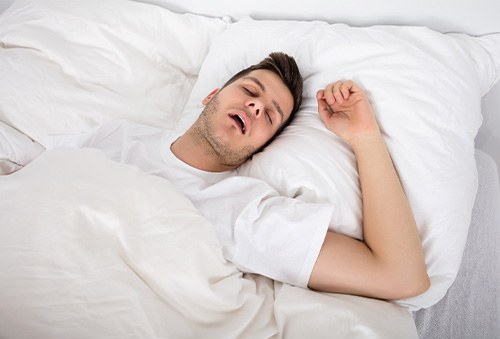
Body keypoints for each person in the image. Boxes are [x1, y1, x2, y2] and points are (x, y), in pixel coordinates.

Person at [46, 52, 430, 300]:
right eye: (251, 90)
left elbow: (400, 276)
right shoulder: (120, 136)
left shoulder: (244, 211)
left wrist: (365, 137)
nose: (257, 106)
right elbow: (28, 170)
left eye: (272, 114)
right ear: (211, 95)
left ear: (263, 147)